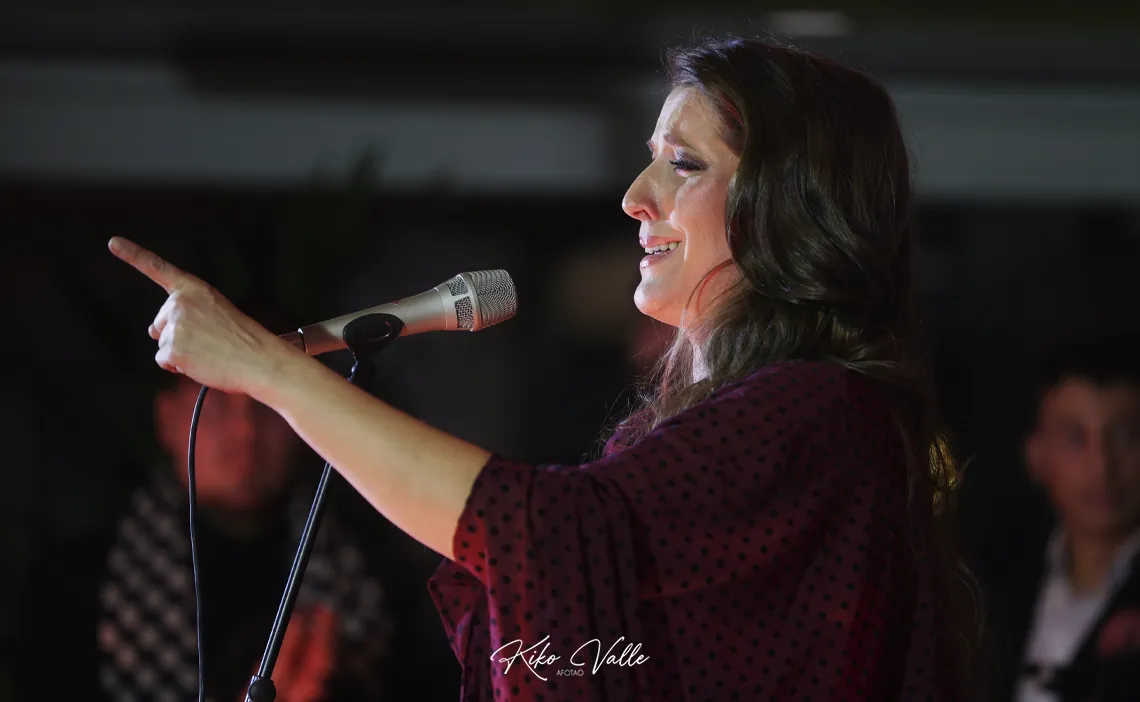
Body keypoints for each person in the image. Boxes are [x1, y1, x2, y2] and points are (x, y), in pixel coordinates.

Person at [107, 37, 972, 701]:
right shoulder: (743, 423)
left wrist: (272, 370)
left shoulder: (821, 412)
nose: (638, 196)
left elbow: (549, 536)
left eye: (684, 164)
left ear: (789, 206)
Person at [96, 372, 392, 702]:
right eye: (217, 402)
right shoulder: (87, 579)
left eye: (266, 404)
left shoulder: (372, 567)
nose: (246, 431)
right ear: (167, 417)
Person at [993, 339, 1140, 702]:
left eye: (1126, 436)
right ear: (1037, 455)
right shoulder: (997, 587)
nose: (1102, 466)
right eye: (1076, 438)